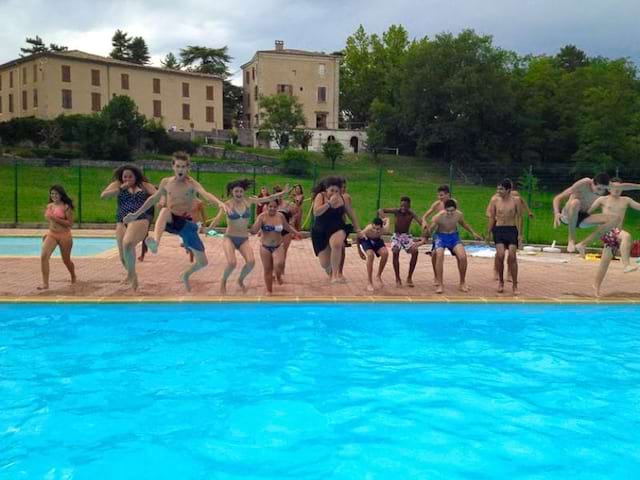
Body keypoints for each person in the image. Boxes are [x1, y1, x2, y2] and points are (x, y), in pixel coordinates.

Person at [123, 151, 228, 291]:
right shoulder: (166, 182)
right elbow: (152, 199)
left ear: (188, 168)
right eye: (178, 166)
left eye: (184, 167)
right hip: (170, 219)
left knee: (203, 262)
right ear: (173, 166)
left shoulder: (191, 184)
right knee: (165, 210)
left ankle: (186, 275)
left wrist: (219, 203)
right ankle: (155, 244)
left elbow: (205, 194)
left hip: (185, 225)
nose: (180, 170)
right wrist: (135, 215)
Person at [218, 179, 289, 294]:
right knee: (232, 263)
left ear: (243, 192)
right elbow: (218, 217)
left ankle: (240, 280)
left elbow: (267, 199)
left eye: (241, 191)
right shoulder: (227, 204)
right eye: (236, 192)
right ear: (232, 192)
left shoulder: (248, 201)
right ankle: (223, 281)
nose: (239, 194)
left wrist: (282, 193)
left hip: (243, 238)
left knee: (251, 262)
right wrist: (208, 227)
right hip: (230, 237)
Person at [100, 164, 156, 290]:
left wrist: (162, 201)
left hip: (139, 218)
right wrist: (120, 188)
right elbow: (103, 196)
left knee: (127, 243)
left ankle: (131, 275)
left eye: (130, 177)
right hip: (121, 220)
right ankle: (133, 277)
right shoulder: (118, 185)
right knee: (123, 257)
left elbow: (158, 195)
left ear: (136, 177)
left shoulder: (143, 185)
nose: (127, 179)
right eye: (125, 177)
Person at [552, 173, 638, 254]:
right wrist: (556, 213)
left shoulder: (608, 185)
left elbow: (625, 186)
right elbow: (558, 198)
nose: (600, 192)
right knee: (575, 202)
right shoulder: (583, 183)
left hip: (583, 218)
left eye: (603, 190)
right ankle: (571, 240)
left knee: (615, 218)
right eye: (599, 189)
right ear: (592, 182)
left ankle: (583, 244)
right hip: (567, 216)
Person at [589, 181, 640, 297]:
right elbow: (588, 211)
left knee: (605, 262)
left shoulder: (626, 200)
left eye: (620, 187)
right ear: (609, 189)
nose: (617, 189)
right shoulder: (603, 199)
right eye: (614, 187)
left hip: (615, 234)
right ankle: (626, 265)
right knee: (626, 236)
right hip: (607, 229)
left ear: (623, 189)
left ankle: (595, 286)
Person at [311, 176, 363, 283]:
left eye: (337, 191)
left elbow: (351, 215)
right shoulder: (320, 196)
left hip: (337, 227)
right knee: (324, 263)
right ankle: (331, 272)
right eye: (331, 190)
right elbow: (316, 212)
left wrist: (358, 230)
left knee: (337, 244)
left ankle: (335, 275)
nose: (334, 193)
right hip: (320, 230)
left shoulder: (343, 199)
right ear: (326, 189)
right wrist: (329, 204)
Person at [429, 199, 482, 294]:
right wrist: (426, 234)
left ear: (455, 209)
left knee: (462, 257)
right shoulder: (439, 216)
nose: (449, 213)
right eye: (448, 211)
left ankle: (462, 282)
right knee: (439, 255)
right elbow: (430, 229)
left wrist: (473, 233)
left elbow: (463, 223)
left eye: (452, 211)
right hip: (441, 236)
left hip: (453, 236)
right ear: (444, 209)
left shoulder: (458, 215)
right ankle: (440, 284)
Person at [250, 199, 301, 295]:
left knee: (279, 264)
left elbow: (287, 227)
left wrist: (296, 232)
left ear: (277, 208)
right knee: (267, 269)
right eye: (270, 207)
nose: (272, 209)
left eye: (274, 207)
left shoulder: (280, 216)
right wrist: (254, 226)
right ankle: (269, 290)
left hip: (278, 246)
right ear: (267, 207)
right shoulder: (262, 217)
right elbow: (254, 230)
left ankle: (278, 276)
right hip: (265, 247)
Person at [379, 196, 424, 287]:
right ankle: (397, 278)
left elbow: (421, 223)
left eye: (405, 206)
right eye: (402, 205)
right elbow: (380, 210)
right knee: (395, 251)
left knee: (415, 252)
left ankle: (409, 278)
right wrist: (384, 219)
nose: (403, 208)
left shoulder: (411, 213)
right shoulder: (396, 211)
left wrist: (425, 233)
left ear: (409, 206)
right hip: (397, 236)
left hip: (406, 236)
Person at [487, 179, 521, 295]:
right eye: (498, 188)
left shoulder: (516, 200)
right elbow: (492, 217)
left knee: (512, 256)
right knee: (500, 255)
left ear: (508, 190)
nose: (498, 191)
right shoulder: (495, 200)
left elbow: (519, 217)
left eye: (501, 189)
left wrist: (520, 234)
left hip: (511, 229)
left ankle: (515, 285)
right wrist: (488, 233)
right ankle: (501, 282)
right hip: (499, 229)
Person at [39, 185, 76, 290]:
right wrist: (47, 234)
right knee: (44, 256)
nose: (54, 196)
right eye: (52, 194)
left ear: (61, 194)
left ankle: (73, 275)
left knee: (66, 260)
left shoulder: (66, 207)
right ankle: (45, 284)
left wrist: (54, 218)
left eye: (56, 193)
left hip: (65, 235)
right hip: (52, 234)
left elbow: (69, 223)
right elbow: (50, 221)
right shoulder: (49, 206)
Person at [421, 185, 457, 283]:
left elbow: (456, 216)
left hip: (451, 232)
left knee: (459, 254)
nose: (440, 198)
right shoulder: (437, 204)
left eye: (442, 195)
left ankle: (462, 279)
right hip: (439, 233)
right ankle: (436, 275)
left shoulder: (453, 203)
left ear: (447, 194)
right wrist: (424, 221)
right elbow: (425, 216)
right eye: (439, 195)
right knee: (434, 254)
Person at [357, 217, 389, 292]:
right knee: (371, 255)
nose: (375, 230)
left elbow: (387, 218)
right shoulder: (368, 229)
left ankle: (378, 275)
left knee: (385, 253)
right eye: (374, 228)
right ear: (372, 225)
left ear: (382, 227)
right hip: (366, 240)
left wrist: (385, 219)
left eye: (378, 229)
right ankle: (369, 282)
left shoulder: (385, 229)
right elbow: (358, 237)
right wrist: (359, 251)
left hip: (377, 240)